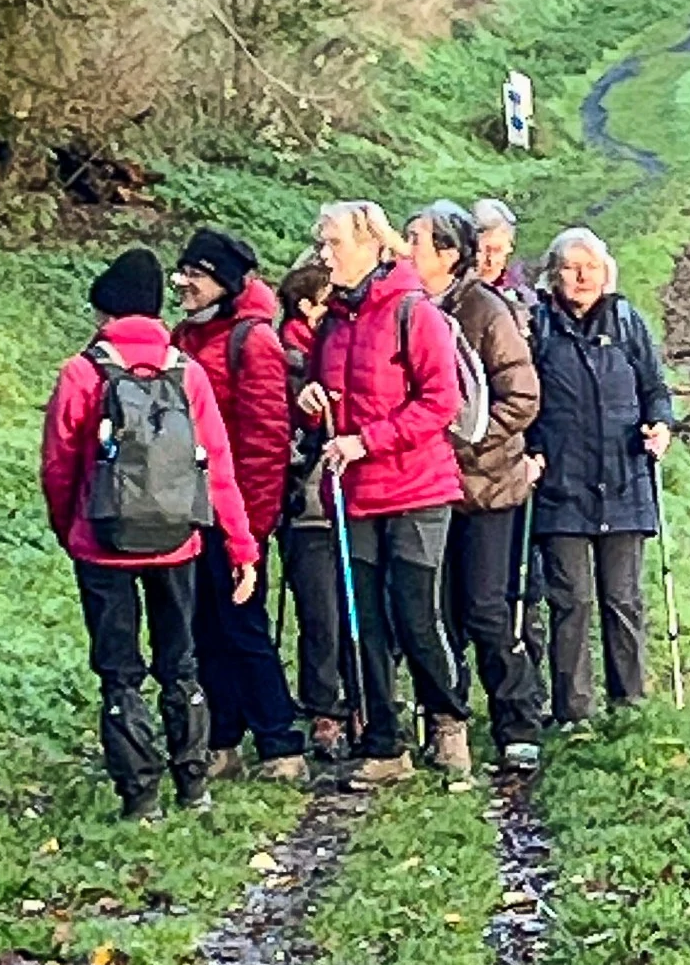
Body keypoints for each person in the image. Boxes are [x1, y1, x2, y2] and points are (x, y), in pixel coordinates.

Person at [40, 247, 259, 820]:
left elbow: (59, 466)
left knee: (119, 673)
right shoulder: (188, 372)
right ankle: (194, 784)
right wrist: (241, 546)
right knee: (180, 664)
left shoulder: (82, 372)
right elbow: (218, 467)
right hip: (176, 541)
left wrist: (70, 529)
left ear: (105, 310)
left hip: (102, 542)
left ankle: (140, 796)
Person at [298, 201, 470, 785]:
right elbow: (324, 392)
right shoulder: (332, 322)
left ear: (371, 244)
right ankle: (384, 744)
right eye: (322, 244)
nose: (324, 255)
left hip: (418, 488)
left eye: (334, 243)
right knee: (363, 621)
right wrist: (311, 401)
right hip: (355, 494)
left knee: (415, 614)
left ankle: (448, 718)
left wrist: (366, 441)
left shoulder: (413, 312)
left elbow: (441, 402)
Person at [407, 201, 545, 773]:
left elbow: (523, 396)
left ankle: (517, 722)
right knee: (436, 611)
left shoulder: (487, 311)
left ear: (448, 253)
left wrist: (467, 440)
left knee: (487, 608)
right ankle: (447, 721)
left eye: (415, 240)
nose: (405, 250)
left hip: (487, 486)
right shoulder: (407, 309)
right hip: (427, 487)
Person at [172, 227, 307, 782]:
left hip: (235, 514)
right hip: (191, 508)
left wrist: (247, 528)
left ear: (224, 283)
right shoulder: (187, 335)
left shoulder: (253, 342)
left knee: (243, 627)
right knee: (204, 627)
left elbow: (265, 443)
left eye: (195, 276)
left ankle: (281, 744)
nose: (182, 283)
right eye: (182, 273)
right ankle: (222, 741)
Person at [527, 228, 674, 727]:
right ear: (554, 276)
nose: (582, 276)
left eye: (591, 267)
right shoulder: (538, 329)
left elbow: (655, 390)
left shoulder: (629, 324)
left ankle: (628, 708)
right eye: (571, 268)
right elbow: (524, 400)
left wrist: (660, 426)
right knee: (570, 601)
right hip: (561, 486)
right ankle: (573, 714)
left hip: (624, 480)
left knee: (622, 599)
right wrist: (532, 451)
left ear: (607, 273)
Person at [275, 259, 349, 762]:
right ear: (307, 307)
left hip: (352, 500)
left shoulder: (346, 345)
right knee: (319, 612)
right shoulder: (290, 358)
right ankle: (324, 708)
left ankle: (359, 701)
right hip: (309, 503)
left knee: (354, 608)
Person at [472, 197, 546, 695]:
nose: (489, 259)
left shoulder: (525, 302)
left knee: (520, 583)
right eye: (483, 248)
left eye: (498, 250)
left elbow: (538, 385)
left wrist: (537, 450)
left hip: (515, 458)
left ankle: (527, 689)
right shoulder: (455, 303)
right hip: (474, 463)